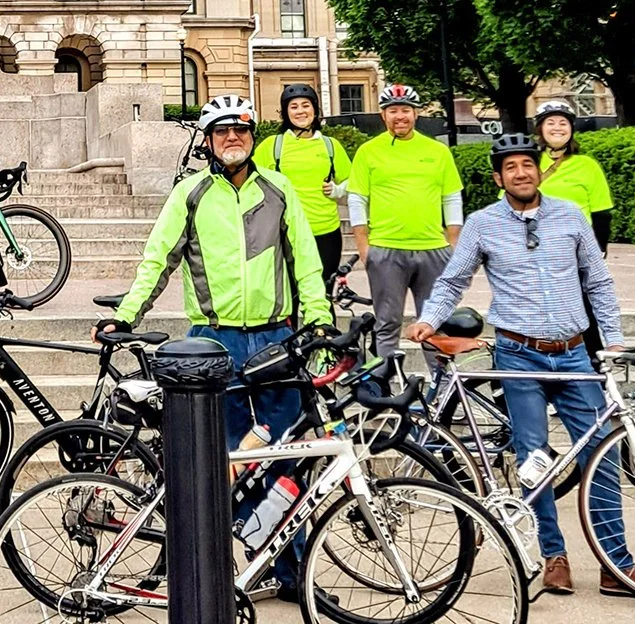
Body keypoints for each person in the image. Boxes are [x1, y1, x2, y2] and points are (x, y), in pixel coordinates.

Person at [409, 134, 635, 598]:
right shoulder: (482, 223)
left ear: (539, 170)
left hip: (574, 353)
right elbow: (454, 279)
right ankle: (554, 556)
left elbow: (597, 279)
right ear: (498, 178)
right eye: (510, 167)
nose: (521, 172)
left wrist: (612, 339)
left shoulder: (571, 215)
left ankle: (616, 564)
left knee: (602, 454)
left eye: (527, 164)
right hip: (518, 355)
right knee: (534, 461)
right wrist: (428, 319)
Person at [97, 95, 330, 604]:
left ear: (252, 138)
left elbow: (307, 264)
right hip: (213, 341)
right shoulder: (191, 193)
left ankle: (289, 570)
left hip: (275, 338)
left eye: (241, 131)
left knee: (285, 456)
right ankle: (220, 561)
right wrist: (126, 314)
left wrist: (319, 319)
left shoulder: (278, 189)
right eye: (221, 132)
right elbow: (157, 259)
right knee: (223, 459)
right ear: (207, 141)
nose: (232, 139)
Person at [347, 85, 462, 361]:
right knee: (386, 324)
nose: (400, 116)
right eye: (393, 111)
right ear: (383, 115)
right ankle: (387, 386)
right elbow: (357, 199)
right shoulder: (368, 151)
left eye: (406, 110)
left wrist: (453, 241)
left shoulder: (437, 151)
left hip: (433, 249)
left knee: (435, 325)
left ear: (416, 113)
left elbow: (452, 197)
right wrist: (364, 246)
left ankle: (440, 390)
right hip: (386, 249)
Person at [532, 101, 615, 353]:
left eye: (563, 123)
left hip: (576, 250)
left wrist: (599, 248)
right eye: (551, 122)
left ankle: (593, 367)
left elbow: (601, 211)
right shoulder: (529, 162)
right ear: (540, 129)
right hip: (536, 249)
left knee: (583, 309)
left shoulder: (586, 165)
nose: (557, 128)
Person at [268, 83, 352, 293]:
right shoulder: (273, 145)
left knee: (323, 294)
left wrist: (338, 190)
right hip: (287, 232)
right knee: (290, 297)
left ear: (315, 110)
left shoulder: (330, 145)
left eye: (305, 105)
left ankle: (324, 328)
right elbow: (251, 180)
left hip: (325, 232)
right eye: (294, 106)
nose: (300, 111)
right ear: (286, 113)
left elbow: (354, 182)